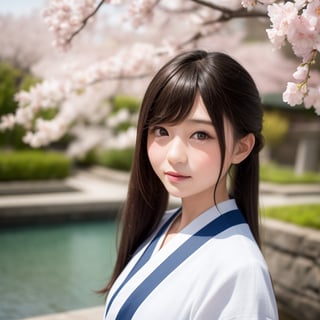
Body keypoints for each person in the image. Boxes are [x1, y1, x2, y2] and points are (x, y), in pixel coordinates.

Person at [101, 50, 279, 319]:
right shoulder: (161, 224)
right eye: (162, 131)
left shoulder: (241, 270)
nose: (174, 155)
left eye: (200, 134)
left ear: (241, 148)